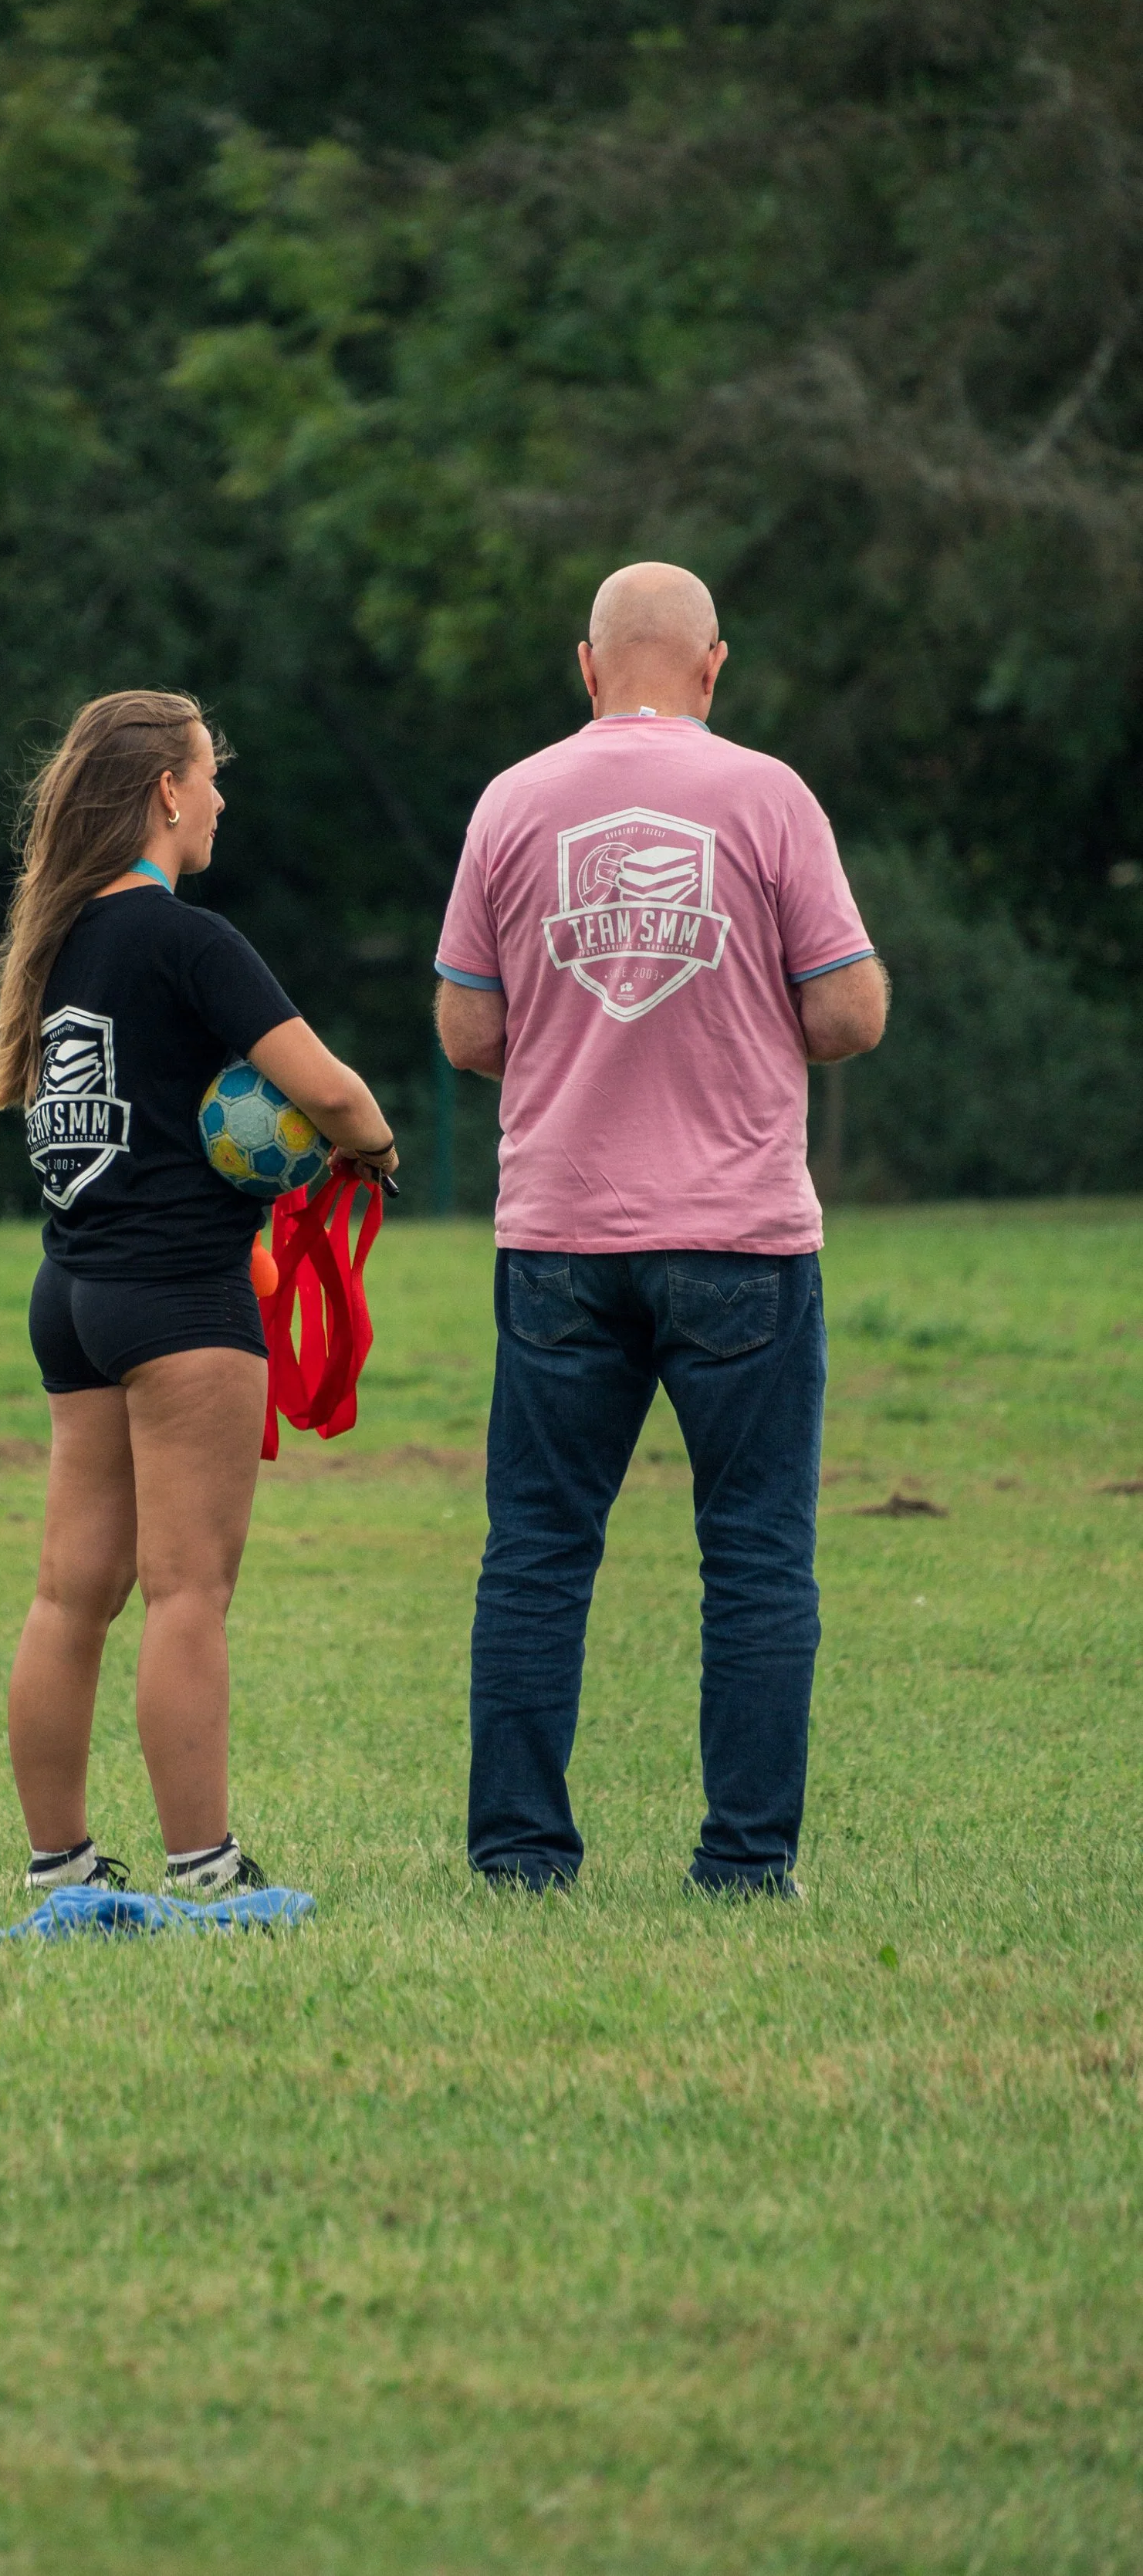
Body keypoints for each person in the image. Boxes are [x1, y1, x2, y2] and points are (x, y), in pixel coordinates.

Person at [434, 562, 888, 1899]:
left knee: (536, 1551)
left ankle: (520, 1854)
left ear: (587, 665)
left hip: (561, 1236)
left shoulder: (512, 801)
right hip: (741, 1241)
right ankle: (745, 1864)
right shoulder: (769, 796)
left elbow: (467, 1029)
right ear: (712, 666)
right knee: (753, 1554)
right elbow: (851, 1013)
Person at [0, 689, 398, 1897]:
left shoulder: (60, 940)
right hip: (177, 1299)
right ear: (167, 791)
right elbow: (335, 1090)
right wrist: (372, 1150)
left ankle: (60, 1864)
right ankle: (206, 1867)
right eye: (211, 775)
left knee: (71, 1591)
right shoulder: (189, 939)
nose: (221, 798)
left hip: (72, 1292)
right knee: (189, 1590)